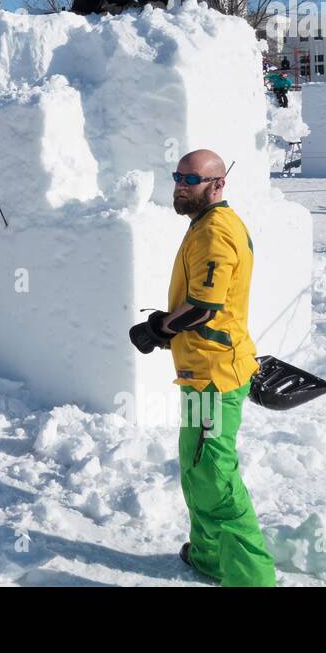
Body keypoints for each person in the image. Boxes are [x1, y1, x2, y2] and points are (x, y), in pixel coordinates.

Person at [128, 149, 276, 587]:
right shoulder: (204, 226)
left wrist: (157, 328)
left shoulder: (214, 233)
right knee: (196, 467)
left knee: (214, 474)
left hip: (214, 377)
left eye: (191, 179)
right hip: (200, 376)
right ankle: (210, 556)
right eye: (177, 176)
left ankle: (253, 579)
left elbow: (203, 309)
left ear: (218, 184)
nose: (180, 185)